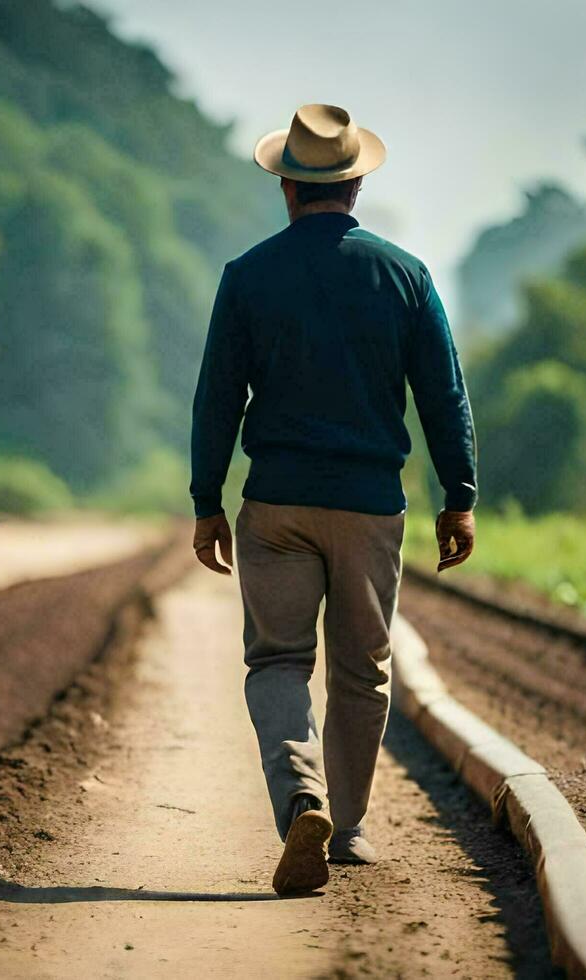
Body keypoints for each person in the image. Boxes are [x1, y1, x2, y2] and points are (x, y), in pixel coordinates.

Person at [189, 104, 478, 896]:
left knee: (278, 660)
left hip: (276, 503)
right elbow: (442, 397)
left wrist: (205, 499)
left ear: (286, 184)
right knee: (363, 669)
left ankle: (300, 800)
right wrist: (460, 496)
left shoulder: (248, 276)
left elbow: (217, 397)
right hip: (368, 505)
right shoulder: (406, 276)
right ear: (355, 182)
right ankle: (345, 829)